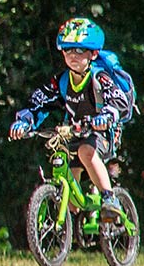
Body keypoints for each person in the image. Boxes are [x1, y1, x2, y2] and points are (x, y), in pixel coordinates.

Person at [8, 16, 135, 226]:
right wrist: (25, 121)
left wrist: (107, 116)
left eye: (79, 50)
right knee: (65, 165)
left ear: (93, 53)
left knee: (86, 151)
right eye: (67, 50)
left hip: (104, 132)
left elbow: (118, 100)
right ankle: (70, 217)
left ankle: (109, 198)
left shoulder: (100, 77)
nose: (72, 56)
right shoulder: (61, 81)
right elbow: (39, 102)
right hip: (75, 132)